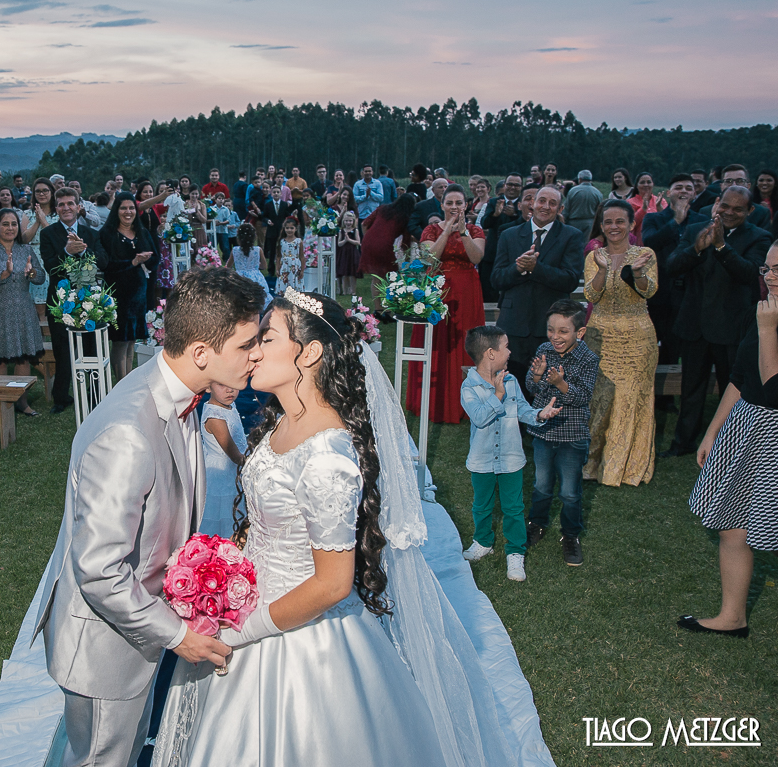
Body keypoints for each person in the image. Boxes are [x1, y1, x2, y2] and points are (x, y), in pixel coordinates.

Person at [152, 289, 528, 766]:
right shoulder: (283, 423)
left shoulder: (328, 454)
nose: (254, 352)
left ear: (309, 353)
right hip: (249, 612)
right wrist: (223, 572)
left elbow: (332, 583)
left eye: (266, 338)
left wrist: (241, 632)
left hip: (298, 648)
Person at [33, 268, 266, 767]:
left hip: (134, 634)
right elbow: (98, 570)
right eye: (247, 345)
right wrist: (180, 635)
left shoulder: (178, 395)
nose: (258, 355)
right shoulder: (128, 432)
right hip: (105, 649)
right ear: (202, 353)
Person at [679, 256, 778, 639]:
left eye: (777, 269)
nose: (769, 275)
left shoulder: (767, 318)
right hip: (747, 424)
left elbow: (774, 390)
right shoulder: (765, 310)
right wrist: (712, 432)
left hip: (772, 428)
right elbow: (739, 376)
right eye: (766, 268)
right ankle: (732, 617)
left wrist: (769, 329)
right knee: (731, 525)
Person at [662, 186, 772, 457]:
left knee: (732, 392)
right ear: (717, 204)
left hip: (732, 328)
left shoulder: (759, 237)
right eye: (725, 206)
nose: (729, 212)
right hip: (694, 324)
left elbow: (749, 274)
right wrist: (697, 249)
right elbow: (672, 266)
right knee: (691, 390)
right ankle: (683, 444)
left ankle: (729, 446)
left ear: (750, 211)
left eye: (737, 208)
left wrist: (721, 246)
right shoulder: (695, 229)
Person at [460, 326, 561, 581]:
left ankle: (515, 552)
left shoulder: (511, 381)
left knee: (514, 508)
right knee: (481, 505)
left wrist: (540, 414)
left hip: (511, 458)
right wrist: (497, 395)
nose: (510, 351)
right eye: (506, 347)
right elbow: (481, 419)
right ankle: (483, 541)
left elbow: (523, 411)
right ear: (491, 353)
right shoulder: (469, 387)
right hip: (482, 459)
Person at [582, 201, 658, 486]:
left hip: (638, 338)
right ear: (601, 226)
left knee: (630, 399)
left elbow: (649, 291)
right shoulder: (594, 255)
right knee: (598, 400)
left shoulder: (645, 254)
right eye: (608, 222)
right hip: (600, 336)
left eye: (620, 221)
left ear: (632, 225)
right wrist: (602, 269)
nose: (614, 227)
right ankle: (590, 463)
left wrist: (637, 272)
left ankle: (624, 468)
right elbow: (591, 296)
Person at [525, 299, 599, 568]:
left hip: (572, 436)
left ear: (579, 333)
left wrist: (559, 384)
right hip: (544, 432)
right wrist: (536, 377)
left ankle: (570, 536)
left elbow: (582, 397)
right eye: (551, 329)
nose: (555, 337)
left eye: (563, 331)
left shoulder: (589, 359)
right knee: (541, 486)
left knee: (569, 492)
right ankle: (536, 524)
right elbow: (532, 389)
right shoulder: (544, 349)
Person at [407, 184, 486, 424]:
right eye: (449, 203)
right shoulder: (430, 230)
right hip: (437, 290)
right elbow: (429, 257)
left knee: (466, 342)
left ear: (466, 206)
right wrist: (446, 231)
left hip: (467, 292)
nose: (454, 207)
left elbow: (476, 257)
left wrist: (462, 233)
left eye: (458, 203)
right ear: (442, 205)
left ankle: (467, 403)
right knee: (436, 341)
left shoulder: (475, 230)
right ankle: (433, 399)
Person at [491, 185, 585, 390]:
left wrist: (536, 268)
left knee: (546, 392)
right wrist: (517, 268)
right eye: (541, 200)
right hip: (514, 326)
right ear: (532, 203)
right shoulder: (509, 235)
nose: (545, 206)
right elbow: (496, 279)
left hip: (550, 330)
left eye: (552, 203)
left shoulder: (571, 236)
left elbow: (570, 279)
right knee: (511, 390)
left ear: (560, 209)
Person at [40, 187, 109, 413]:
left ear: (78, 207)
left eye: (70, 203)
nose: (66, 208)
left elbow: (103, 261)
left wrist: (82, 252)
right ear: (56, 208)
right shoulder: (48, 234)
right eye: (61, 204)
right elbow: (51, 266)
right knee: (62, 349)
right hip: (60, 300)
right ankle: (61, 397)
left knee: (90, 348)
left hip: (88, 298)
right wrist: (67, 252)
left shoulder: (91, 233)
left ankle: (94, 395)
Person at [0, 208, 46, 416]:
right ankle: (2, 402)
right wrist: (4, 274)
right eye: (5, 224)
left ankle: (21, 402)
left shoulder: (26, 249)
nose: (10, 228)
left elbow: (41, 277)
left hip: (23, 309)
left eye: (14, 224)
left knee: (23, 357)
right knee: (0, 358)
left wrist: (32, 272)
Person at [643, 175, 709, 380]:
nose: (683, 191)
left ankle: (669, 397)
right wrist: (676, 221)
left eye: (688, 188)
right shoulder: (654, 218)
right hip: (660, 291)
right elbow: (650, 243)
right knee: (652, 343)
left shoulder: (702, 221)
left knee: (676, 347)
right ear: (669, 192)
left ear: (694, 194)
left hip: (690, 291)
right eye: (678, 187)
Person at [100, 192, 156, 381]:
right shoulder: (107, 234)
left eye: (131, 207)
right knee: (120, 343)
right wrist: (132, 262)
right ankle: (121, 384)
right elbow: (106, 265)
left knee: (131, 341)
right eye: (123, 207)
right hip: (118, 294)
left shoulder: (142, 232)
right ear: (116, 210)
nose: (128, 211)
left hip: (139, 294)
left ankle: (128, 382)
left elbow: (155, 259)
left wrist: (147, 260)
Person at [198, 380, 247, 539]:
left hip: (232, 472)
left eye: (234, 384)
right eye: (222, 385)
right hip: (222, 476)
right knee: (225, 518)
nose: (230, 390)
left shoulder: (229, 406)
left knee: (234, 513)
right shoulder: (215, 417)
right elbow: (234, 456)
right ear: (208, 387)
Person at [477, 173, 524, 303]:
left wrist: (515, 215)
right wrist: (495, 214)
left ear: (521, 187)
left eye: (516, 185)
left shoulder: (523, 204)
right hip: (493, 252)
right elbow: (484, 223)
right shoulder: (493, 202)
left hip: (514, 254)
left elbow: (526, 224)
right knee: (487, 288)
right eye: (509, 184)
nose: (512, 188)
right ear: (505, 185)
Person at [20, 178, 59, 320]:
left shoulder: (58, 213)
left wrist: (43, 219)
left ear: (51, 192)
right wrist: (37, 220)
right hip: (33, 256)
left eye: (45, 191)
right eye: (38, 191)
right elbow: (24, 239)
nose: (41, 194)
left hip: (52, 256)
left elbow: (56, 238)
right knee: (37, 303)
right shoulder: (27, 214)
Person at [359, 193, 415, 283]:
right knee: (392, 275)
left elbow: (364, 224)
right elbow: (405, 242)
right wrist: (407, 259)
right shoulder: (405, 218)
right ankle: (391, 295)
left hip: (368, 242)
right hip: (384, 245)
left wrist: (367, 238)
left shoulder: (382, 209)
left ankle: (376, 297)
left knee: (376, 276)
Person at [226, 223, 270, 301]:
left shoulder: (235, 250)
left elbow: (228, 266)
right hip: (255, 278)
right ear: (254, 237)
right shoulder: (258, 250)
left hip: (239, 277)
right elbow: (264, 266)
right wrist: (255, 265)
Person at [563, 170, 602, 239]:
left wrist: (563, 221)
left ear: (580, 179)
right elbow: (599, 211)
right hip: (590, 223)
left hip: (574, 223)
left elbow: (566, 209)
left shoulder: (573, 191)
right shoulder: (597, 193)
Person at [274, 217, 304, 294]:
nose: (289, 230)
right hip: (284, 266)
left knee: (294, 287)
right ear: (284, 229)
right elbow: (278, 256)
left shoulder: (298, 241)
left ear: (296, 229)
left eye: (291, 228)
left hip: (295, 266)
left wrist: (302, 270)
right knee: (284, 285)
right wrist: (277, 268)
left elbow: (301, 256)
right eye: (287, 228)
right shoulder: (282, 241)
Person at [336, 209, 361, 295]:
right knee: (344, 272)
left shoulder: (355, 231)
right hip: (344, 254)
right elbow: (339, 243)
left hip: (353, 253)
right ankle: (345, 290)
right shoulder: (341, 231)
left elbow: (358, 242)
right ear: (343, 221)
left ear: (353, 221)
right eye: (346, 221)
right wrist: (345, 240)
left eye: (350, 221)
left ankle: (353, 290)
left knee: (352, 273)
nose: (348, 223)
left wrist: (349, 240)